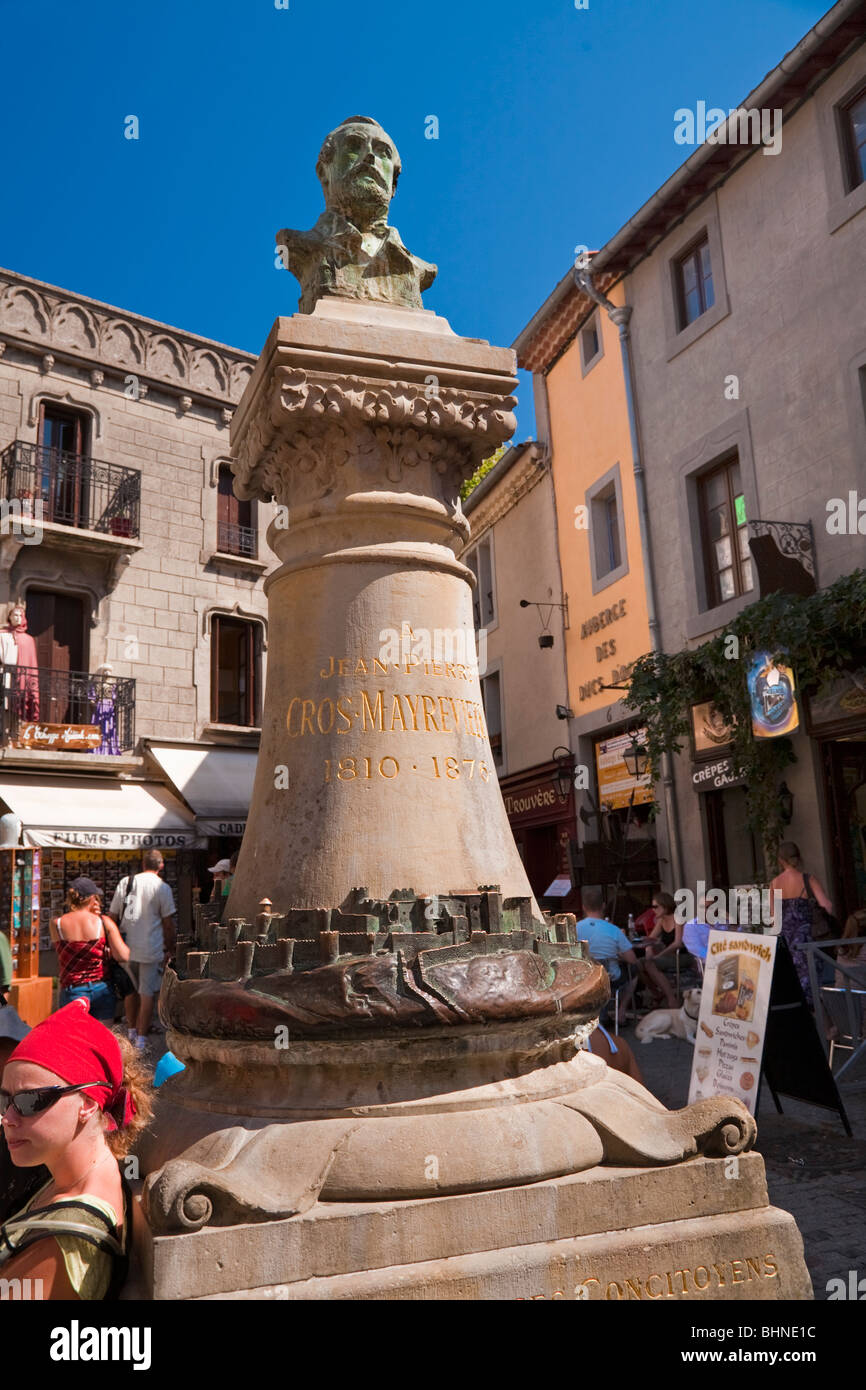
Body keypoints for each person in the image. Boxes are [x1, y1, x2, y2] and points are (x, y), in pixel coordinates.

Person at [0, 998, 151, 1299]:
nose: (7, 1118)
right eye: (5, 1100)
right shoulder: (72, 1173)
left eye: (30, 1101)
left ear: (88, 1103)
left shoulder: (63, 1239)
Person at [108, 850, 176, 1051]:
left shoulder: (126, 882)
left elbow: (112, 916)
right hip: (150, 948)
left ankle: (130, 1032)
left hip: (125, 947)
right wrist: (170, 948)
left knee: (131, 992)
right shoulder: (163, 888)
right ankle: (141, 1040)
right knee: (147, 995)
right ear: (161, 866)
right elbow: (168, 923)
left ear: (142, 863)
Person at [49, 877, 130, 1023]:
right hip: (102, 988)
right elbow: (123, 955)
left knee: (74, 1039)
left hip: (72, 990)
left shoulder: (57, 924)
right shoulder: (103, 922)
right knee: (102, 1039)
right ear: (92, 898)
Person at [769, 841, 833, 1006]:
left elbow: (773, 918)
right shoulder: (807, 879)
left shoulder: (774, 884)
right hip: (808, 941)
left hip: (787, 945)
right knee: (815, 986)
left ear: (780, 860)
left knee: (793, 987)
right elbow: (827, 906)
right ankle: (824, 1025)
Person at [643, 892, 683, 1006]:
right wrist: (649, 947)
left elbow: (678, 943)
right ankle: (657, 994)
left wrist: (660, 955)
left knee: (650, 964)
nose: (653, 910)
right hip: (669, 956)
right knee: (638, 964)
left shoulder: (678, 918)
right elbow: (650, 938)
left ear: (665, 906)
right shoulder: (661, 921)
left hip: (682, 956)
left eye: (655, 907)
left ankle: (671, 999)